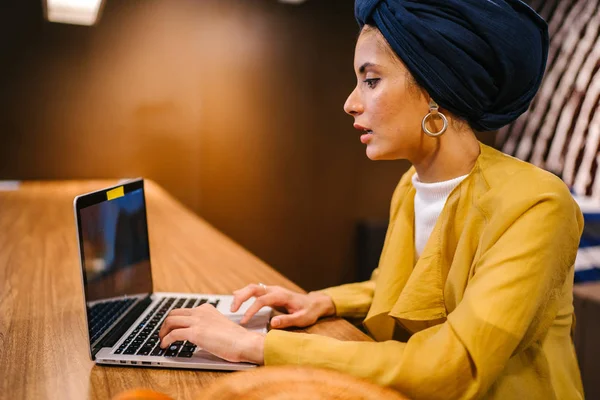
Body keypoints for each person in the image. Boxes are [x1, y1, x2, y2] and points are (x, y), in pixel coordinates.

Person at [158, 1, 584, 398]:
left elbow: (453, 364)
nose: (350, 103)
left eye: (371, 80)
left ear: (434, 88)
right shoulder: (410, 186)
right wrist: (322, 300)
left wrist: (253, 344)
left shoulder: (537, 204)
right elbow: (396, 286)